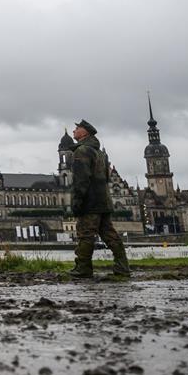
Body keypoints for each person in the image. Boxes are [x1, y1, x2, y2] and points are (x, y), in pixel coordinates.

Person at [68, 119, 130, 278]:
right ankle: (123, 266)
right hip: (104, 201)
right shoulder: (101, 153)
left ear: (84, 133)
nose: (74, 131)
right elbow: (107, 177)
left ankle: (83, 268)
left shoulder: (81, 151)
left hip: (90, 202)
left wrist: (77, 201)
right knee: (110, 234)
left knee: (85, 234)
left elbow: (81, 180)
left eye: (77, 128)